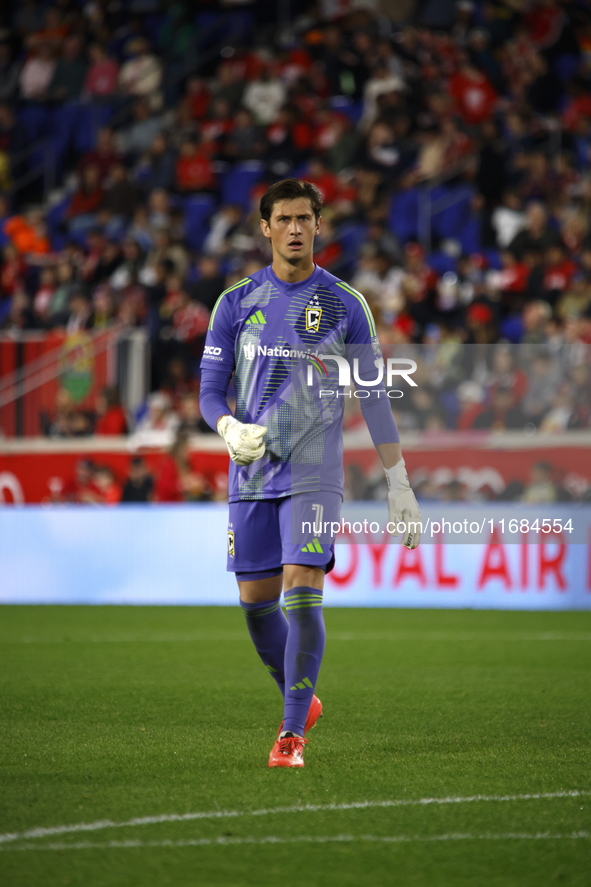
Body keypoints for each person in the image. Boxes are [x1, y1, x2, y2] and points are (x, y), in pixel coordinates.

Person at [199, 178, 421, 769]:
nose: (295, 228)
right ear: (265, 228)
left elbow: (374, 396)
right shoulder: (236, 302)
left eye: (306, 218)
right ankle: (305, 701)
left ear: (319, 227)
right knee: (255, 600)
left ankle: (290, 735)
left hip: (315, 469)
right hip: (250, 471)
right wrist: (225, 428)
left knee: (302, 584)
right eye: (284, 219)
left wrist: (398, 482)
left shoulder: (347, 304)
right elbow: (208, 392)